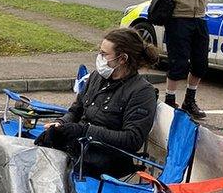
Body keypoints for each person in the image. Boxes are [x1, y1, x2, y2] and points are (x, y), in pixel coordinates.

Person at [35, 27, 159, 180]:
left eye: (104, 54)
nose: (99, 57)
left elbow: (131, 139)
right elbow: (76, 110)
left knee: (39, 172)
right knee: (25, 159)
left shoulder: (141, 92)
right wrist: (61, 123)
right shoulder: (96, 77)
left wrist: (84, 131)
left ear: (122, 59)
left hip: (106, 160)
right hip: (78, 149)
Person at [159, 0, 221, 121]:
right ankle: (169, 101)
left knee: (201, 64)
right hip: (178, 17)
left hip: (199, 17)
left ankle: (189, 101)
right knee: (178, 63)